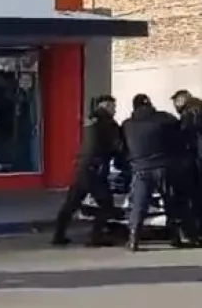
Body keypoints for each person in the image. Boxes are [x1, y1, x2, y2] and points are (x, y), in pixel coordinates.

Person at [121, 93, 193, 252]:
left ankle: (133, 239)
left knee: (139, 205)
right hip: (163, 166)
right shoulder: (164, 119)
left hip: (140, 169)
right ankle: (177, 237)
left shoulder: (127, 125)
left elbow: (123, 147)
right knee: (171, 203)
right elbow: (180, 137)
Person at [52, 94, 122, 247]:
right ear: (106, 106)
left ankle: (58, 235)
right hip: (95, 170)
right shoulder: (109, 124)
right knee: (106, 204)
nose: (115, 110)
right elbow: (117, 147)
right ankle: (96, 237)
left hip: (81, 167)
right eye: (113, 106)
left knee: (72, 203)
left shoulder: (90, 121)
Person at [172, 88, 202, 227]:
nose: (175, 105)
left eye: (176, 101)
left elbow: (185, 134)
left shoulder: (190, 112)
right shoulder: (197, 108)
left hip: (196, 158)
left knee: (195, 194)